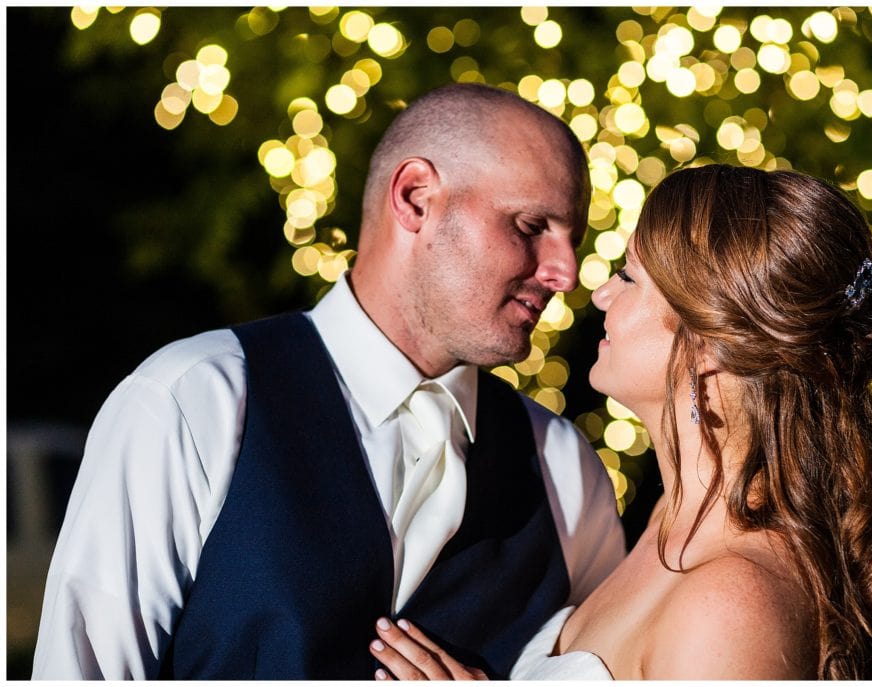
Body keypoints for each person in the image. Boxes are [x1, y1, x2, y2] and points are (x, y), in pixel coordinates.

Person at [31, 83, 626, 680]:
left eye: (571, 239)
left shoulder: (564, 469)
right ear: (416, 198)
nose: (566, 273)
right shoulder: (192, 400)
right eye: (530, 225)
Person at [369, 164, 872, 680]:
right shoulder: (671, 517)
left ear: (710, 341)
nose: (601, 292)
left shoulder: (729, 605)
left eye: (630, 278)